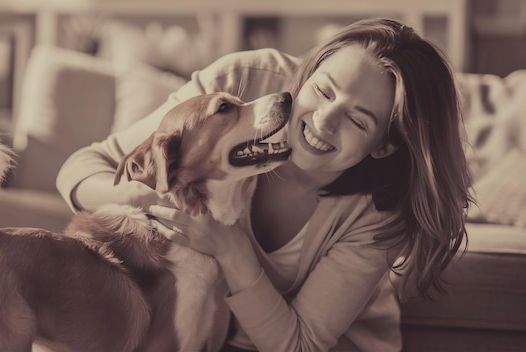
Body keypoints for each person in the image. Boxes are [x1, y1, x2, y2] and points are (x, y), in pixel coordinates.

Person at [56, 18, 473, 351]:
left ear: (382, 147)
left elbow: (301, 344)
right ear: (307, 73)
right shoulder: (240, 86)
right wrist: (143, 193)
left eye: (358, 120)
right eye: (323, 90)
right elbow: (81, 167)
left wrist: (230, 247)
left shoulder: (380, 212)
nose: (325, 120)